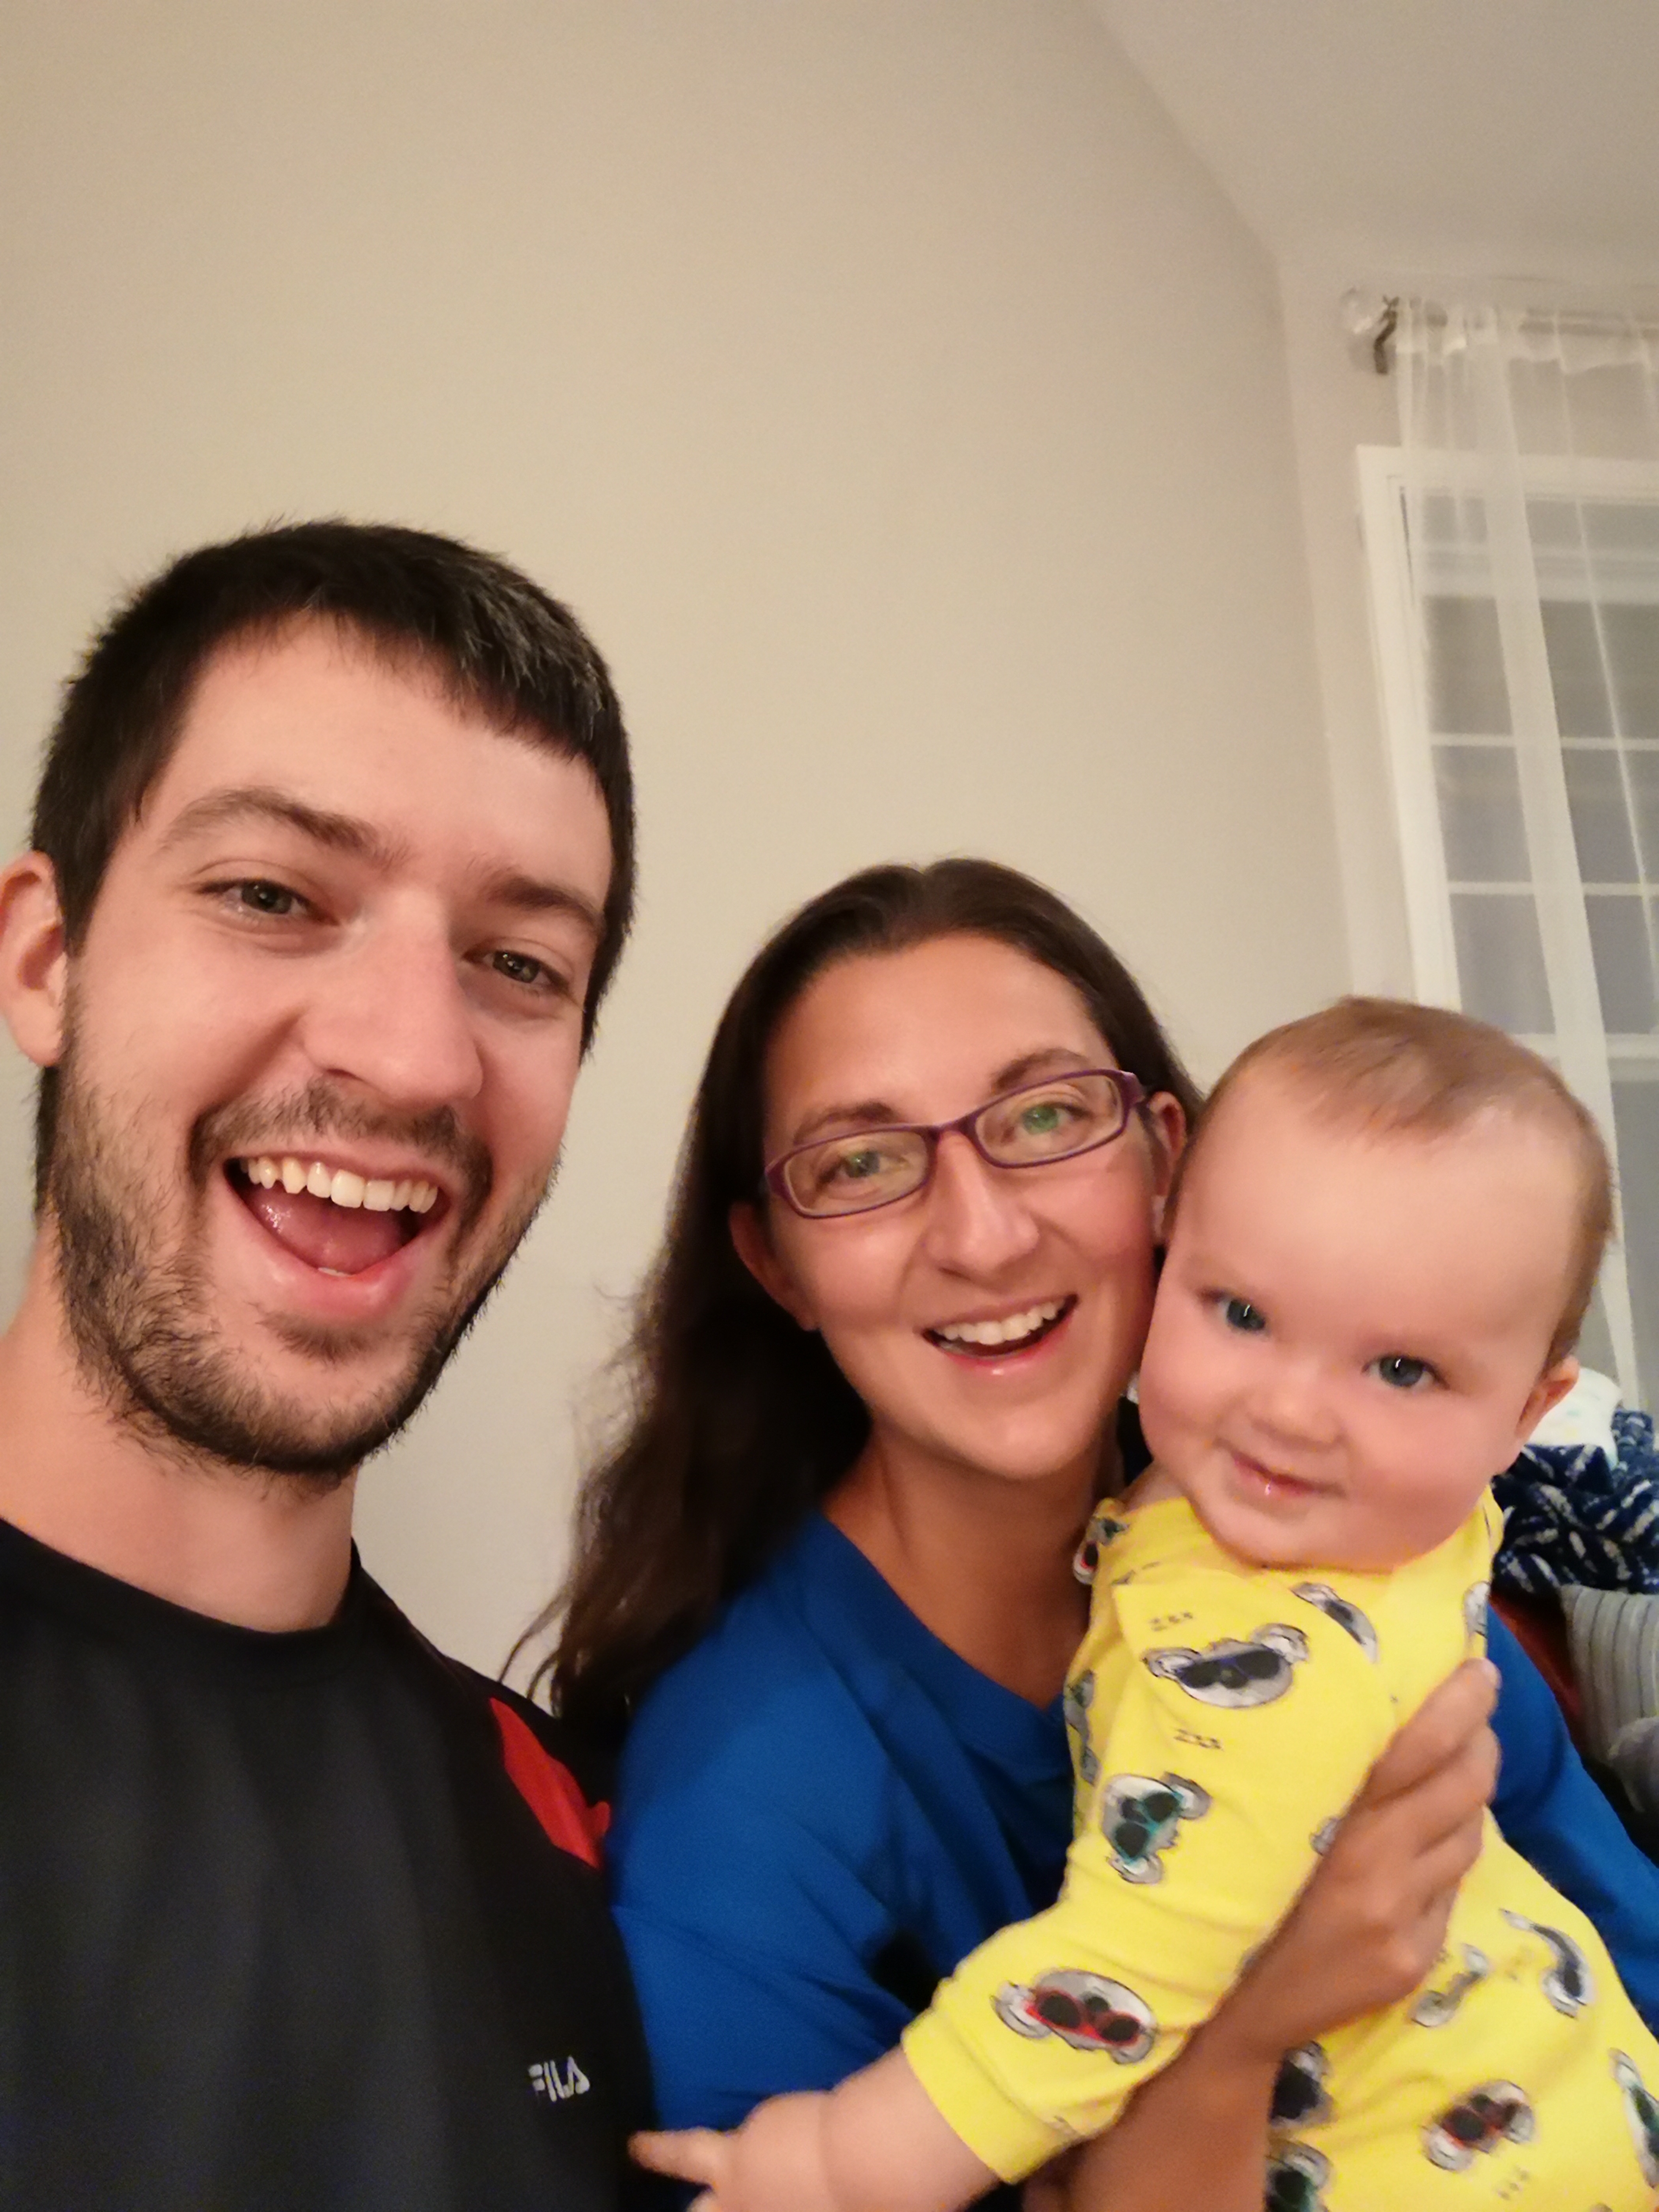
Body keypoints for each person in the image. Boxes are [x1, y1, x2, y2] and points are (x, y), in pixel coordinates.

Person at [540, 859, 1659, 2211]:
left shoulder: (1343, 1538)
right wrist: (1242, 2029)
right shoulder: (748, 1802)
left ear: (1166, 1163)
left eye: (1047, 1115)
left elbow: (1623, 1945)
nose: (982, 1234)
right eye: (862, 1163)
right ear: (777, 1262)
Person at [0, 522, 651, 2211]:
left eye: (519, 964)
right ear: (47, 961)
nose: (417, 1056)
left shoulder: (598, 1842)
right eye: (273, 896)